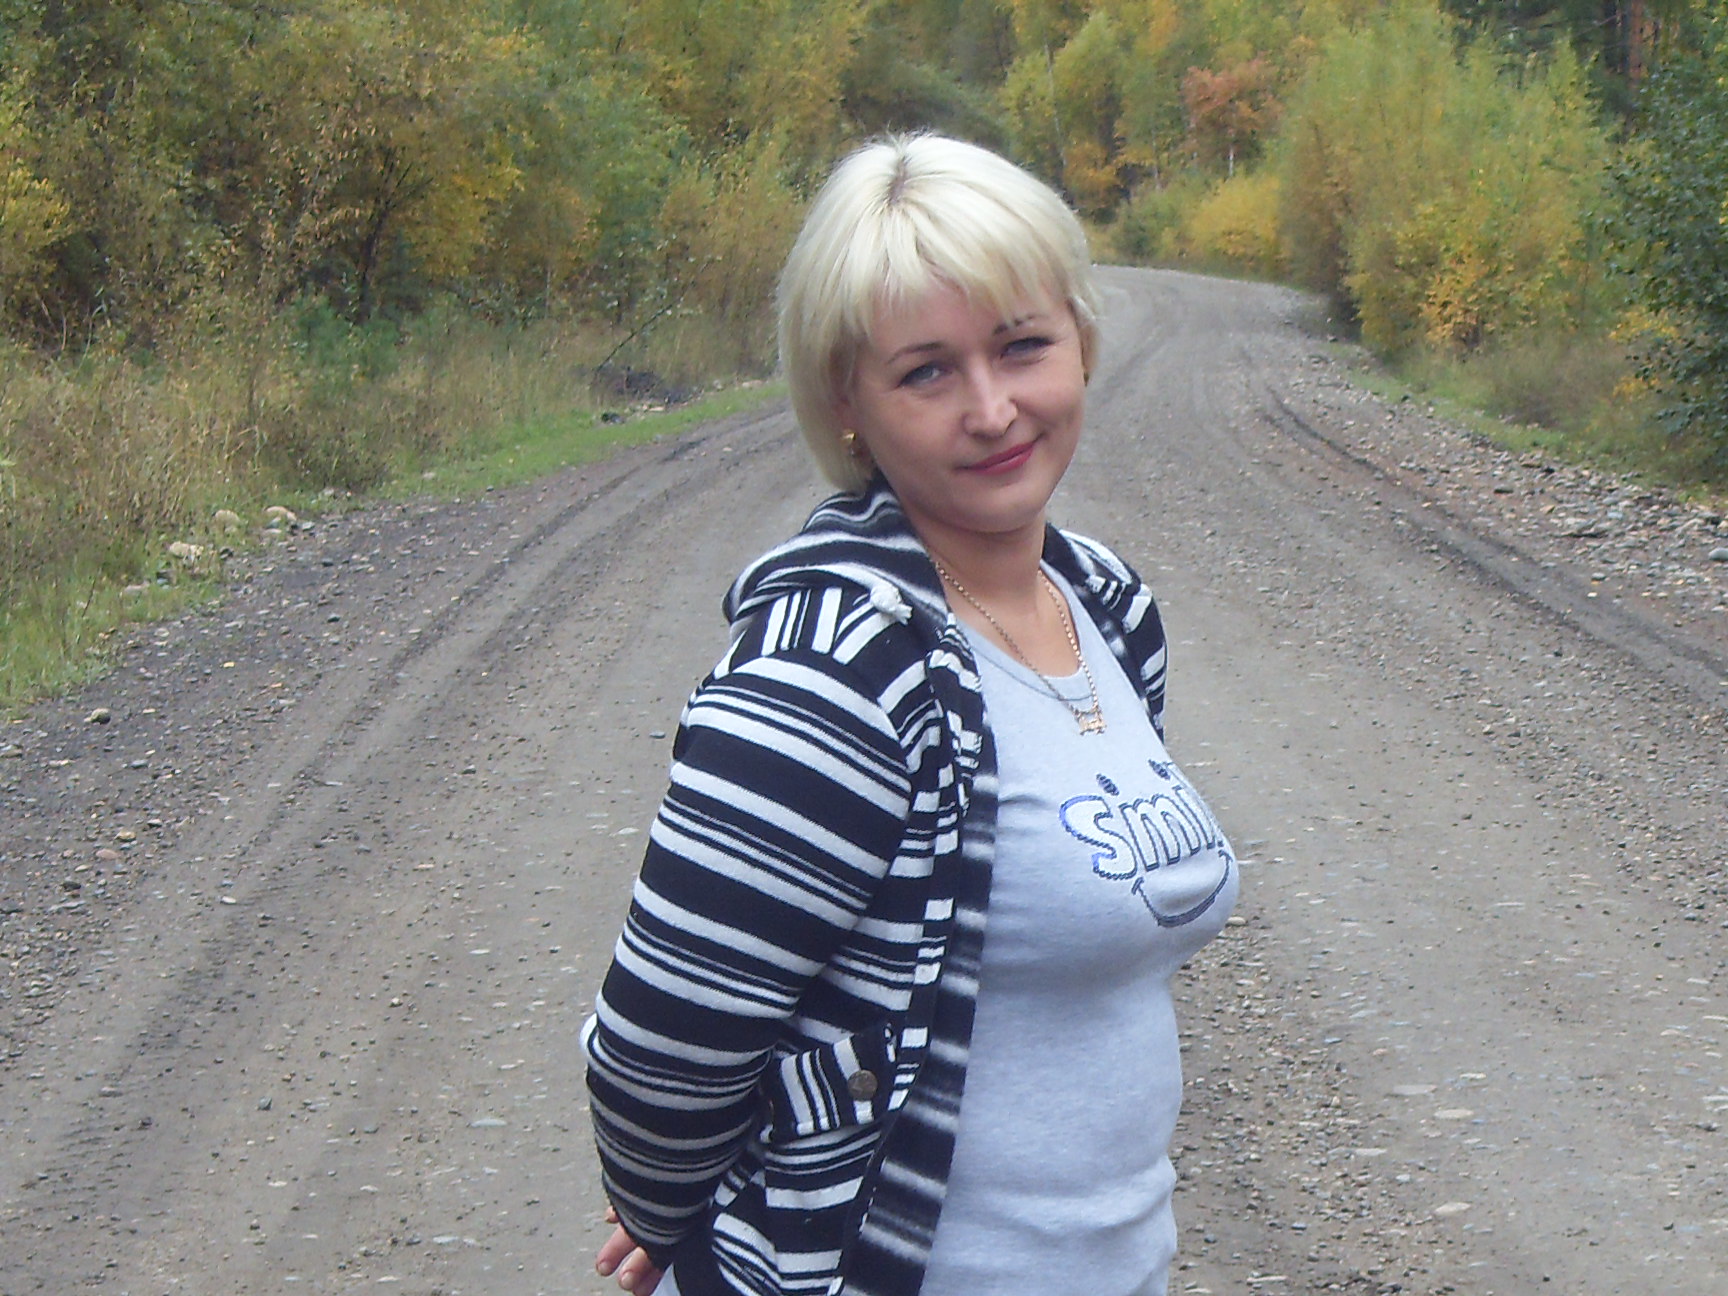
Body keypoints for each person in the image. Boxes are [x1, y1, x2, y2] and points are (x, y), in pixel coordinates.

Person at [581, 133, 1238, 1296]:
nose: (992, 409)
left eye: (1022, 346)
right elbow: (660, 1051)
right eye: (927, 372)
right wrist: (682, 1211)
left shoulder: (1105, 606)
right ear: (848, 402)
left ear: (1081, 341)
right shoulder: (831, 670)